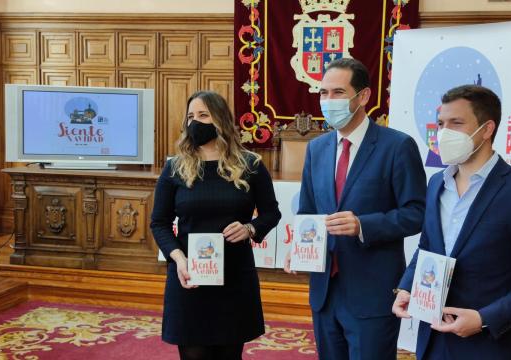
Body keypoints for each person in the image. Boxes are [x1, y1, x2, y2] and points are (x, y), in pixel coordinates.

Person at [392, 85, 511, 360]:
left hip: (493, 347)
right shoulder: (437, 183)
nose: (443, 133)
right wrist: (407, 286)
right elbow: (428, 246)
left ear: (486, 129)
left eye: (456, 123)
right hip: (434, 341)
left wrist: (484, 318)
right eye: (441, 124)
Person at [284, 58, 427, 360]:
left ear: (362, 96)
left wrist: (363, 225)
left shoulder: (397, 146)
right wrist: (299, 246)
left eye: (337, 92)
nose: (327, 101)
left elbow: (417, 212)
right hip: (324, 290)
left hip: (371, 292)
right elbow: (308, 210)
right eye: (323, 93)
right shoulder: (317, 148)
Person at [151, 91, 281, 360]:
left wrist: (250, 229)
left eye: (203, 115)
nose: (195, 122)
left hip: (234, 278)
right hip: (189, 278)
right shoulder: (174, 168)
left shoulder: (251, 164)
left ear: (220, 119)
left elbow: (271, 213)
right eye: (190, 117)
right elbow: (159, 223)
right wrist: (178, 260)